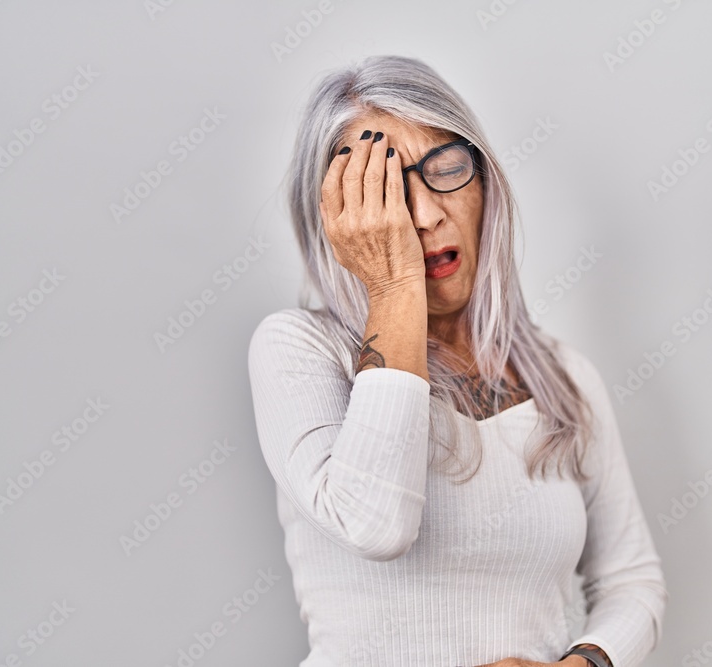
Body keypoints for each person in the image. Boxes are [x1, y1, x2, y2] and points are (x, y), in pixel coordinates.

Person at [248, 54, 667, 667]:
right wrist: (393, 291)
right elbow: (377, 526)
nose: (423, 215)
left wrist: (581, 666)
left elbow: (633, 581)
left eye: (444, 169)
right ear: (338, 223)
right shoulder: (298, 351)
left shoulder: (563, 376)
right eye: (385, 193)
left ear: (485, 182)